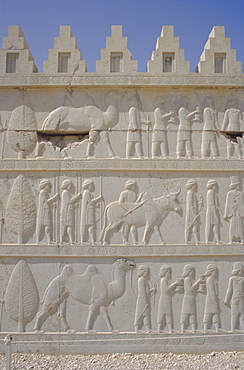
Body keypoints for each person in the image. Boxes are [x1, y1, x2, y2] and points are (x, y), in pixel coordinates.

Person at [118, 179, 143, 245]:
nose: (136, 188)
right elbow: (120, 203)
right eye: (135, 186)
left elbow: (135, 204)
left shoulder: (134, 194)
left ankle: (135, 241)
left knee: (133, 226)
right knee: (126, 226)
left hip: (132, 213)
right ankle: (125, 240)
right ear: (131, 186)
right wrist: (127, 209)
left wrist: (140, 198)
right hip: (126, 213)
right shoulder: (123, 193)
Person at [180, 264, 203, 333]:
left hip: (192, 298)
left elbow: (193, 291)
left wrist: (198, 291)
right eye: (193, 272)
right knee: (185, 313)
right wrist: (199, 281)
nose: (194, 274)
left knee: (193, 314)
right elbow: (190, 289)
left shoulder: (191, 280)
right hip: (187, 298)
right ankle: (182, 329)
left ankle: (193, 329)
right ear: (190, 272)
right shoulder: (187, 279)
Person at [157, 265, 179, 333]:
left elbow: (170, 292)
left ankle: (170, 329)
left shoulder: (167, 281)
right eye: (169, 273)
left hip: (168, 298)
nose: (170, 274)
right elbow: (166, 290)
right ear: (166, 272)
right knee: (161, 314)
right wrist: (175, 284)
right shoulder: (163, 280)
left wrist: (176, 291)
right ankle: (159, 329)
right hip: (164, 298)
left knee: (169, 314)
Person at [36, 179, 59, 244]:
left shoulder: (45, 193)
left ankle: (49, 240)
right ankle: (41, 240)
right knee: (46, 225)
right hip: (44, 211)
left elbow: (47, 202)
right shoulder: (42, 192)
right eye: (49, 186)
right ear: (45, 186)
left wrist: (53, 204)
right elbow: (47, 201)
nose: (50, 188)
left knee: (47, 225)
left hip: (47, 210)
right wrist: (55, 197)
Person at [80, 179, 103, 244]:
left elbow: (90, 202)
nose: (92, 187)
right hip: (88, 212)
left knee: (91, 226)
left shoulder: (88, 193)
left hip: (90, 211)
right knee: (90, 226)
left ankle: (92, 241)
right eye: (91, 185)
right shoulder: (86, 192)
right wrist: (98, 198)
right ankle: (92, 241)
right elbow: (90, 202)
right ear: (87, 185)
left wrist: (96, 205)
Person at [134, 265, 156, 333]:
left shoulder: (144, 280)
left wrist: (152, 290)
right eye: (147, 272)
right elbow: (142, 292)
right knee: (140, 314)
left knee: (146, 314)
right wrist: (145, 302)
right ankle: (137, 329)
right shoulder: (141, 280)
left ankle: (148, 329)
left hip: (145, 300)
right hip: (142, 300)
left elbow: (146, 291)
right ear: (144, 272)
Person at [60, 179, 82, 244]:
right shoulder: (65, 192)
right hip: (66, 212)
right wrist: (78, 196)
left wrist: (75, 205)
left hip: (69, 211)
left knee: (69, 226)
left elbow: (70, 202)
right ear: (67, 185)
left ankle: (70, 240)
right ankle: (65, 240)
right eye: (71, 186)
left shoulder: (67, 193)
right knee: (67, 226)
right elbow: (69, 201)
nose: (72, 187)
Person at [223, 262, 244, 332]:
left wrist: (226, 299)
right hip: (237, 297)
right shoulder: (232, 279)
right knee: (236, 313)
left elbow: (229, 290)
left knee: (240, 313)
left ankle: (241, 328)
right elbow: (230, 290)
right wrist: (226, 299)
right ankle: (233, 328)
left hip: (239, 297)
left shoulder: (242, 279)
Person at [223, 176, 244, 244]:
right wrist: (226, 214)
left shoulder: (241, 194)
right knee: (232, 226)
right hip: (232, 214)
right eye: (238, 185)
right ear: (235, 185)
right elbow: (227, 204)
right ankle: (231, 240)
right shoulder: (229, 194)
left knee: (240, 226)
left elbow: (242, 204)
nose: (240, 186)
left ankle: (241, 239)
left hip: (238, 213)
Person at [185, 178, 203, 244]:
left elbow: (195, 204)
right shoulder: (190, 193)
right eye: (196, 186)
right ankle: (187, 241)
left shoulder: (193, 194)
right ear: (192, 186)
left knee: (195, 227)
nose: (196, 188)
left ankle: (197, 241)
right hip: (191, 213)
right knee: (189, 227)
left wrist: (199, 203)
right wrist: (194, 215)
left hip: (194, 212)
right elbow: (190, 205)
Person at [203, 264, 220, 333]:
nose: (216, 274)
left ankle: (217, 329)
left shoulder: (212, 279)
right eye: (215, 272)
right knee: (208, 313)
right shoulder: (210, 279)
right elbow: (212, 291)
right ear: (212, 271)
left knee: (215, 313)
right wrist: (214, 301)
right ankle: (205, 329)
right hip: (211, 299)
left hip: (213, 298)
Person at [205, 179, 221, 244]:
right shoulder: (210, 192)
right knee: (211, 225)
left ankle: (217, 240)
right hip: (211, 211)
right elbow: (212, 205)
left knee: (214, 225)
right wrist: (215, 215)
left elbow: (217, 206)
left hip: (212, 211)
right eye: (216, 186)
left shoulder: (212, 193)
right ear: (213, 185)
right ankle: (208, 240)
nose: (217, 187)